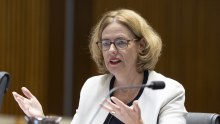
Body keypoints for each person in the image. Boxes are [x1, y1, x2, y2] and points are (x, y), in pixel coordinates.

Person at [12, 9, 187, 124]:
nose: (111, 50)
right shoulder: (93, 86)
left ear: (141, 45)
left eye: (120, 42)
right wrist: (40, 119)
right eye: (105, 43)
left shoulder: (168, 92)